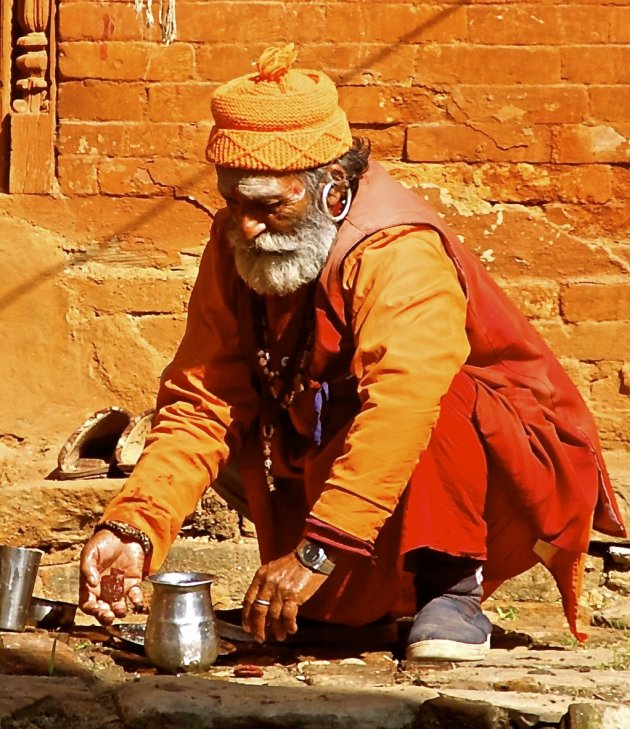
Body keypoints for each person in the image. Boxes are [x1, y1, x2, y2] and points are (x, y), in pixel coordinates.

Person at [79, 44, 626, 662]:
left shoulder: (395, 248)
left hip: (489, 454)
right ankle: (353, 607)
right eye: (234, 202)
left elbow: (403, 398)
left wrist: (318, 550)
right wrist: (133, 529)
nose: (248, 226)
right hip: (323, 444)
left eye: (269, 205)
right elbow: (203, 397)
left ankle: (451, 587)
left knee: (434, 390)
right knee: (243, 432)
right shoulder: (237, 241)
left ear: (332, 189)